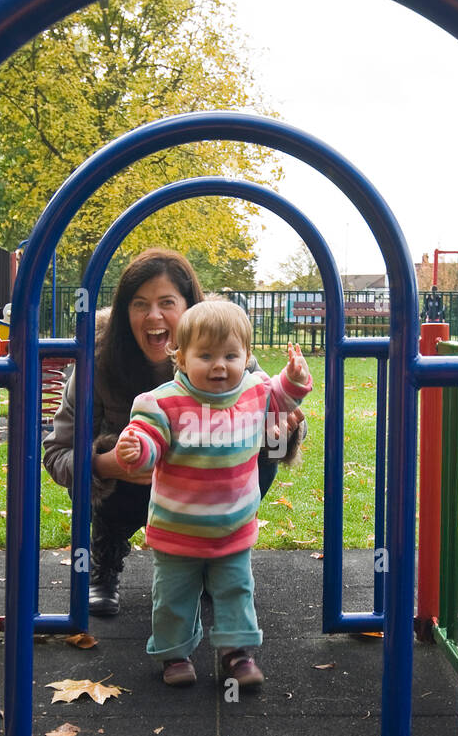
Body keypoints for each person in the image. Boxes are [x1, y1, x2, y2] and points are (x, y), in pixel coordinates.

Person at [42, 249, 306, 617]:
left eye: (167, 302)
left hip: (207, 490)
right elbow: (57, 453)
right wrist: (106, 464)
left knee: (265, 454)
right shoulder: (98, 359)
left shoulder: (223, 349)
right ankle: (106, 551)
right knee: (108, 468)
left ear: (189, 308)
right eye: (139, 304)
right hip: (134, 484)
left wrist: (279, 433)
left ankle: (217, 560)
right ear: (124, 312)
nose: (154, 316)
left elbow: (278, 423)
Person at [114, 299, 312, 687]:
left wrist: (294, 377)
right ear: (181, 359)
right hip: (178, 529)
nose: (219, 365)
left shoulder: (254, 392)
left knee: (236, 591)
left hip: (233, 528)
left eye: (230, 355)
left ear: (247, 357)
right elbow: (148, 438)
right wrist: (135, 448)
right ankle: (174, 654)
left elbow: (283, 398)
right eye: (205, 355)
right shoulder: (163, 402)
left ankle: (236, 654)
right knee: (172, 598)